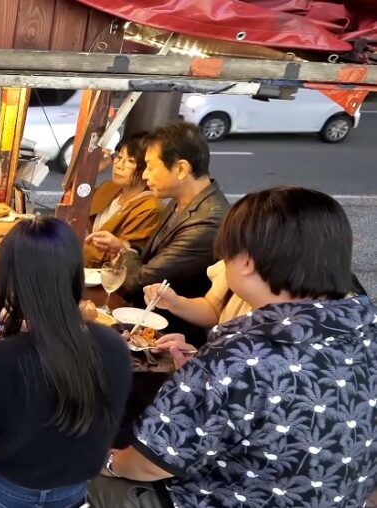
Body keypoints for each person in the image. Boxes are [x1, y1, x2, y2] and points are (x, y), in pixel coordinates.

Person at [89, 186, 377, 507]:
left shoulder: (241, 355)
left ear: (247, 262)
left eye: (226, 256)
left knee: (78, 475)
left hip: (225, 497)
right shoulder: (366, 330)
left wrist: (108, 462)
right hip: (337, 498)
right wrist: (203, 369)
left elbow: (150, 461)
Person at [0, 217, 132, 508]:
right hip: (72, 494)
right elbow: (55, 335)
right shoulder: (114, 346)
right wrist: (3, 317)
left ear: (10, 281)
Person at [84, 122, 230, 344]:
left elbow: (140, 281)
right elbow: (153, 254)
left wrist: (125, 252)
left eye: (151, 168)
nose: (144, 175)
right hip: (146, 317)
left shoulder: (207, 221)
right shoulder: (181, 200)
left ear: (181, 169)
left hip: (170, 335)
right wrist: (125, 248)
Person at [83, 134, 162, 268]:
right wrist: (91, 171)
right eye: (119, 157)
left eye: (130, 161)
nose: (119, 165)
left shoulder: (149, 207)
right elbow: (73, 206)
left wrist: (75, 244)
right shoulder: (110, 187)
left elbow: (120, 257)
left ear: (146, 167)